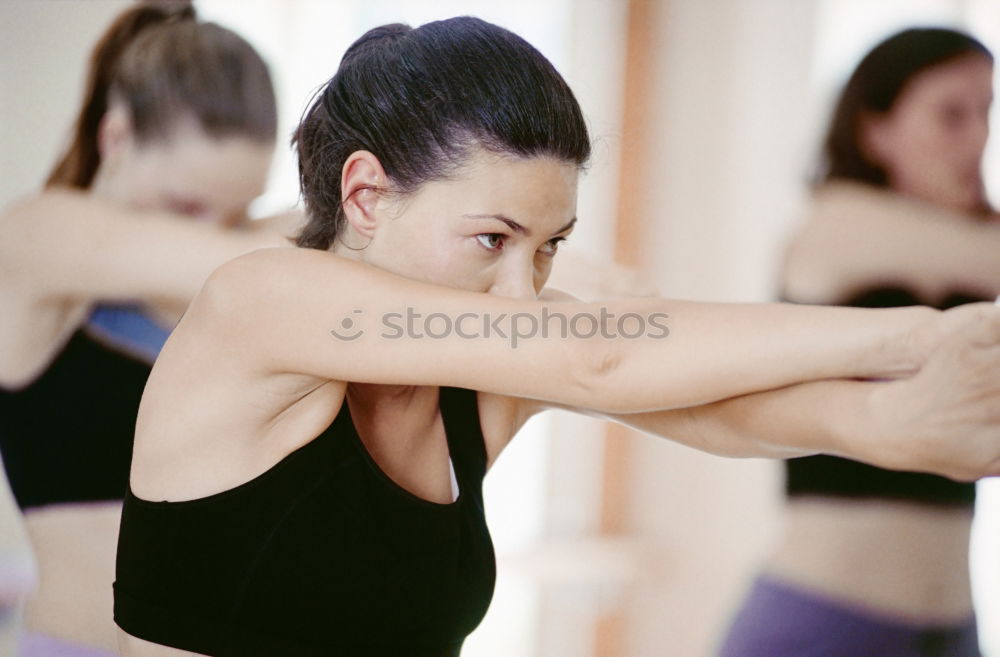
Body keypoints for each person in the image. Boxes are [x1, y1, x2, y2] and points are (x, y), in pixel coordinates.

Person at [113, 18, 1000, 657]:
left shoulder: (476, 373)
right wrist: (915, 339)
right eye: (493, 239)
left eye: (549, 249)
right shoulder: (259, 300)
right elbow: (603, 353)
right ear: (366, 196)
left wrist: (880, 426)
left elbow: (712, 411)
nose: (521, 288)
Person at [0, 2, 290, 655]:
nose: (212, 229)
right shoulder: (37, 235)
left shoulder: (243, 260)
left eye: (239, 210)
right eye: (187, 205)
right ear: (117, 137)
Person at [717, 27, 997, 657]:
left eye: (986, 112)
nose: (978, 137)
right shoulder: (836, 223)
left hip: (951, 628)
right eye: (952, 114)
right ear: (876, 129)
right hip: (823, 623)